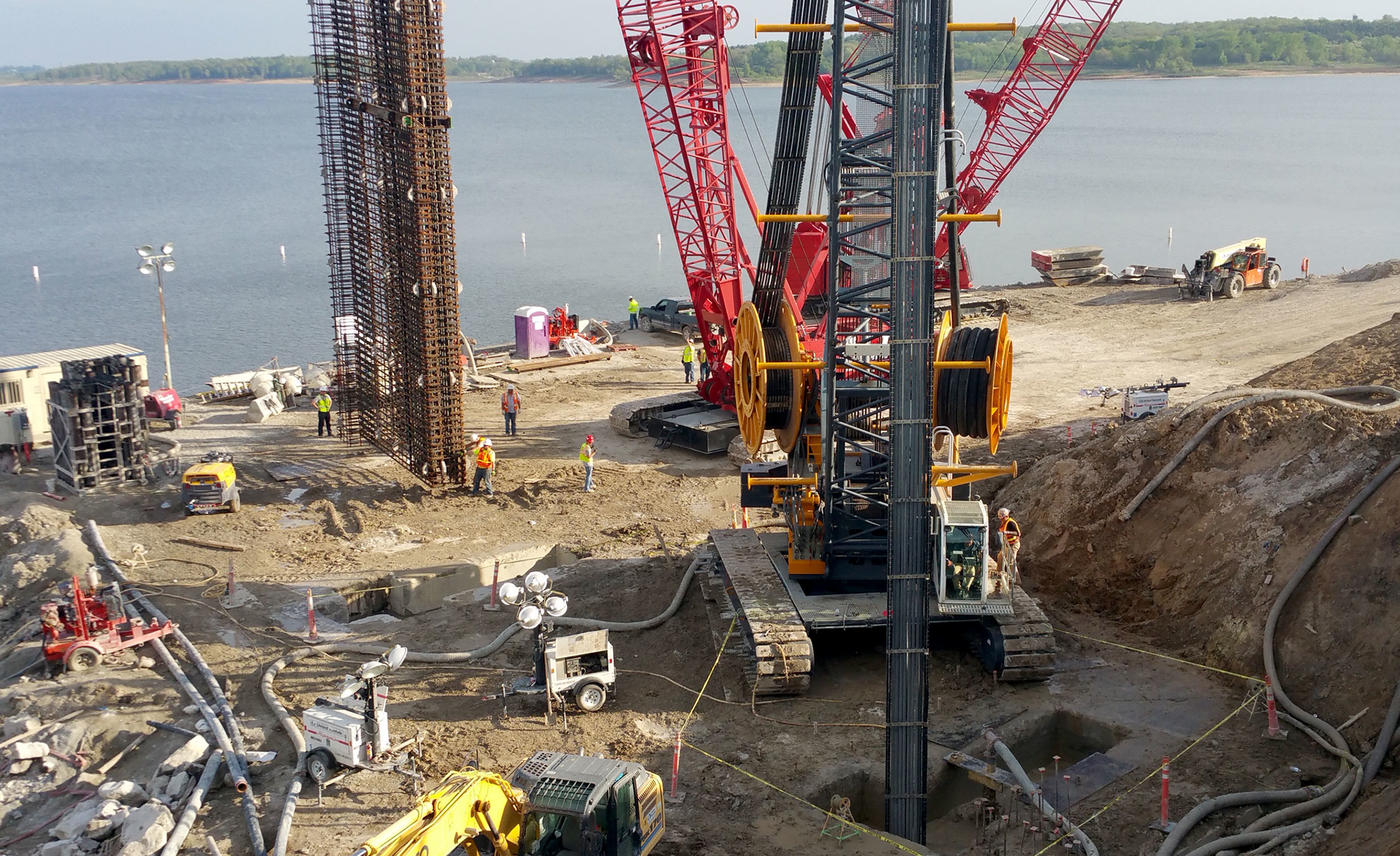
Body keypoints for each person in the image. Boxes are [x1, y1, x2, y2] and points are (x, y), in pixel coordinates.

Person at [996, 507, 1021, 584]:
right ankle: (999, 573)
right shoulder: (1004, 522)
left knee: (1011, 562)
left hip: (1013, 545)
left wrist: (1006, 532)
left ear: (1006, 516)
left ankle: (1016, 580)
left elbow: (1018, 533)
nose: (1001, 519)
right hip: (1007, 544)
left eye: (1002, 518)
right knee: (1000, 557)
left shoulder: (1010, 523)